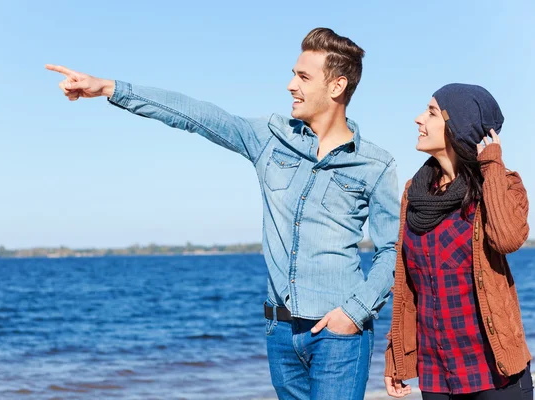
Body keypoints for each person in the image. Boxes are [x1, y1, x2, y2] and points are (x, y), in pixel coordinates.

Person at [47, 27, 400, 400]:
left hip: (339, 337)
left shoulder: (374, 165)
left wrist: (353, 313)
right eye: (293, 74)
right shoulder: (269, 137)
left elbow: (391, 250)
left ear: (336, 86)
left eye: (302, 76)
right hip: (279, 332)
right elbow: (197, 115)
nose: (290, 85)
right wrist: (108, 88)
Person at [384, 83, 534, 399]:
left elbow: (507, 238)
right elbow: (407, 286)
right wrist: (395, 357)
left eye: (432, 112)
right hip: (436, 375)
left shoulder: (499, 184)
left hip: (494, 374)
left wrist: (491, 164)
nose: (418, 119)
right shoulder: (415, 193)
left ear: (457, 126)